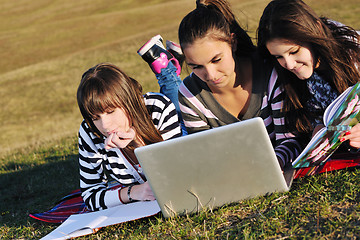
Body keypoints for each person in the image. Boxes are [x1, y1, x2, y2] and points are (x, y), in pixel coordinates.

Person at [138, 0, 305, 170]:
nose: (210, 75)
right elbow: (208, 155)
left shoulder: (270, 74)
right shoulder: (189, 94)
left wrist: (273, 163)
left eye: (216, 60)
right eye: (196, 66)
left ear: (232, 42)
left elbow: (290, 140)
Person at [77, 63, 181, 211]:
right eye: (95, 118)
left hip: (180, 128)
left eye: (111, 111)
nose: (105, 125)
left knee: (178, 98)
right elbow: (90, 196)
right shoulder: (89, 131)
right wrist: (133, 193)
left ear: (127, 101)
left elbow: (176, 174)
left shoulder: (158, 108)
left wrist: (137, 142)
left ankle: (167, 67)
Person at [257, 0, 360, 150]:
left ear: (316, 31)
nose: (289, 64)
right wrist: (317, 130)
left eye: (294, 51)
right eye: (278, 57)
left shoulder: (352, 55)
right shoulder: (283, 77)